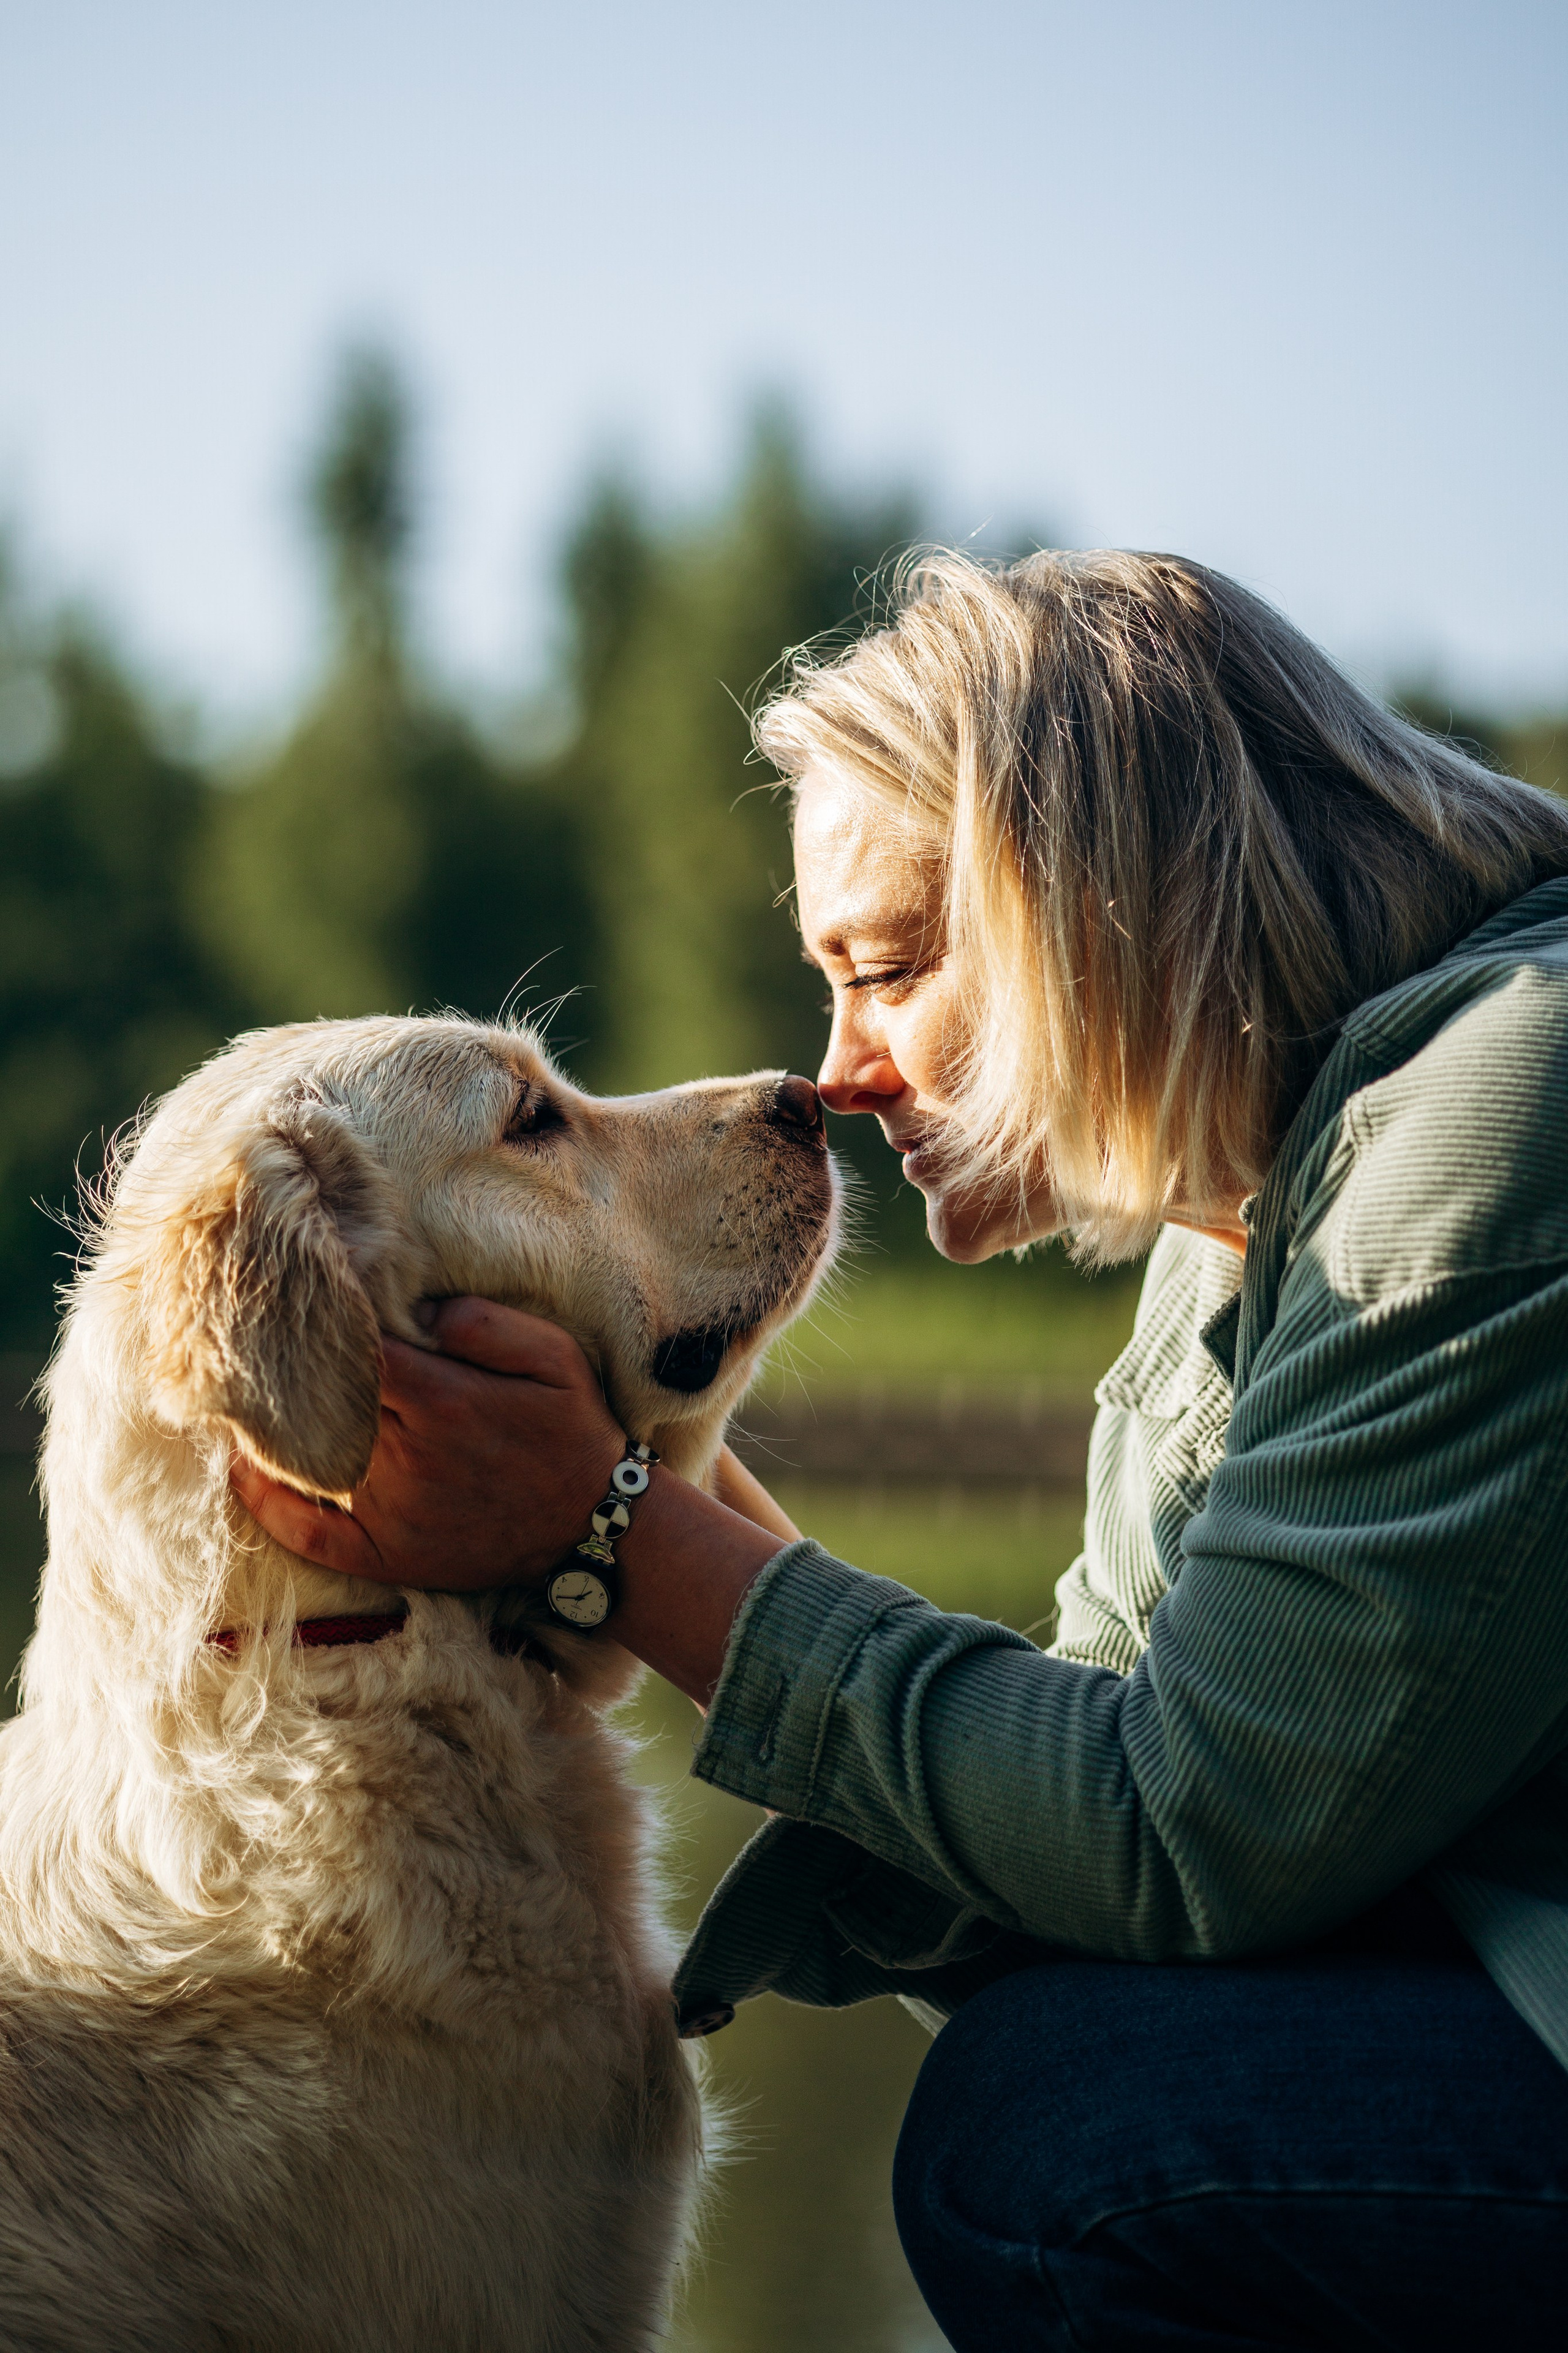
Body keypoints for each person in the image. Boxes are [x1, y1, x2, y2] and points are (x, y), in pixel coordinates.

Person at [236, 550, 1568, 2349]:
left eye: (892, 965)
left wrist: (617, 1538)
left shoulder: (1503, 1101)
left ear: (1107, 899)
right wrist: (641, 1493)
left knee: (1067, 2134)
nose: (840, 1069)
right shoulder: (1245, 1208)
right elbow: (1106, 1784)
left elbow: (1189, 1833)